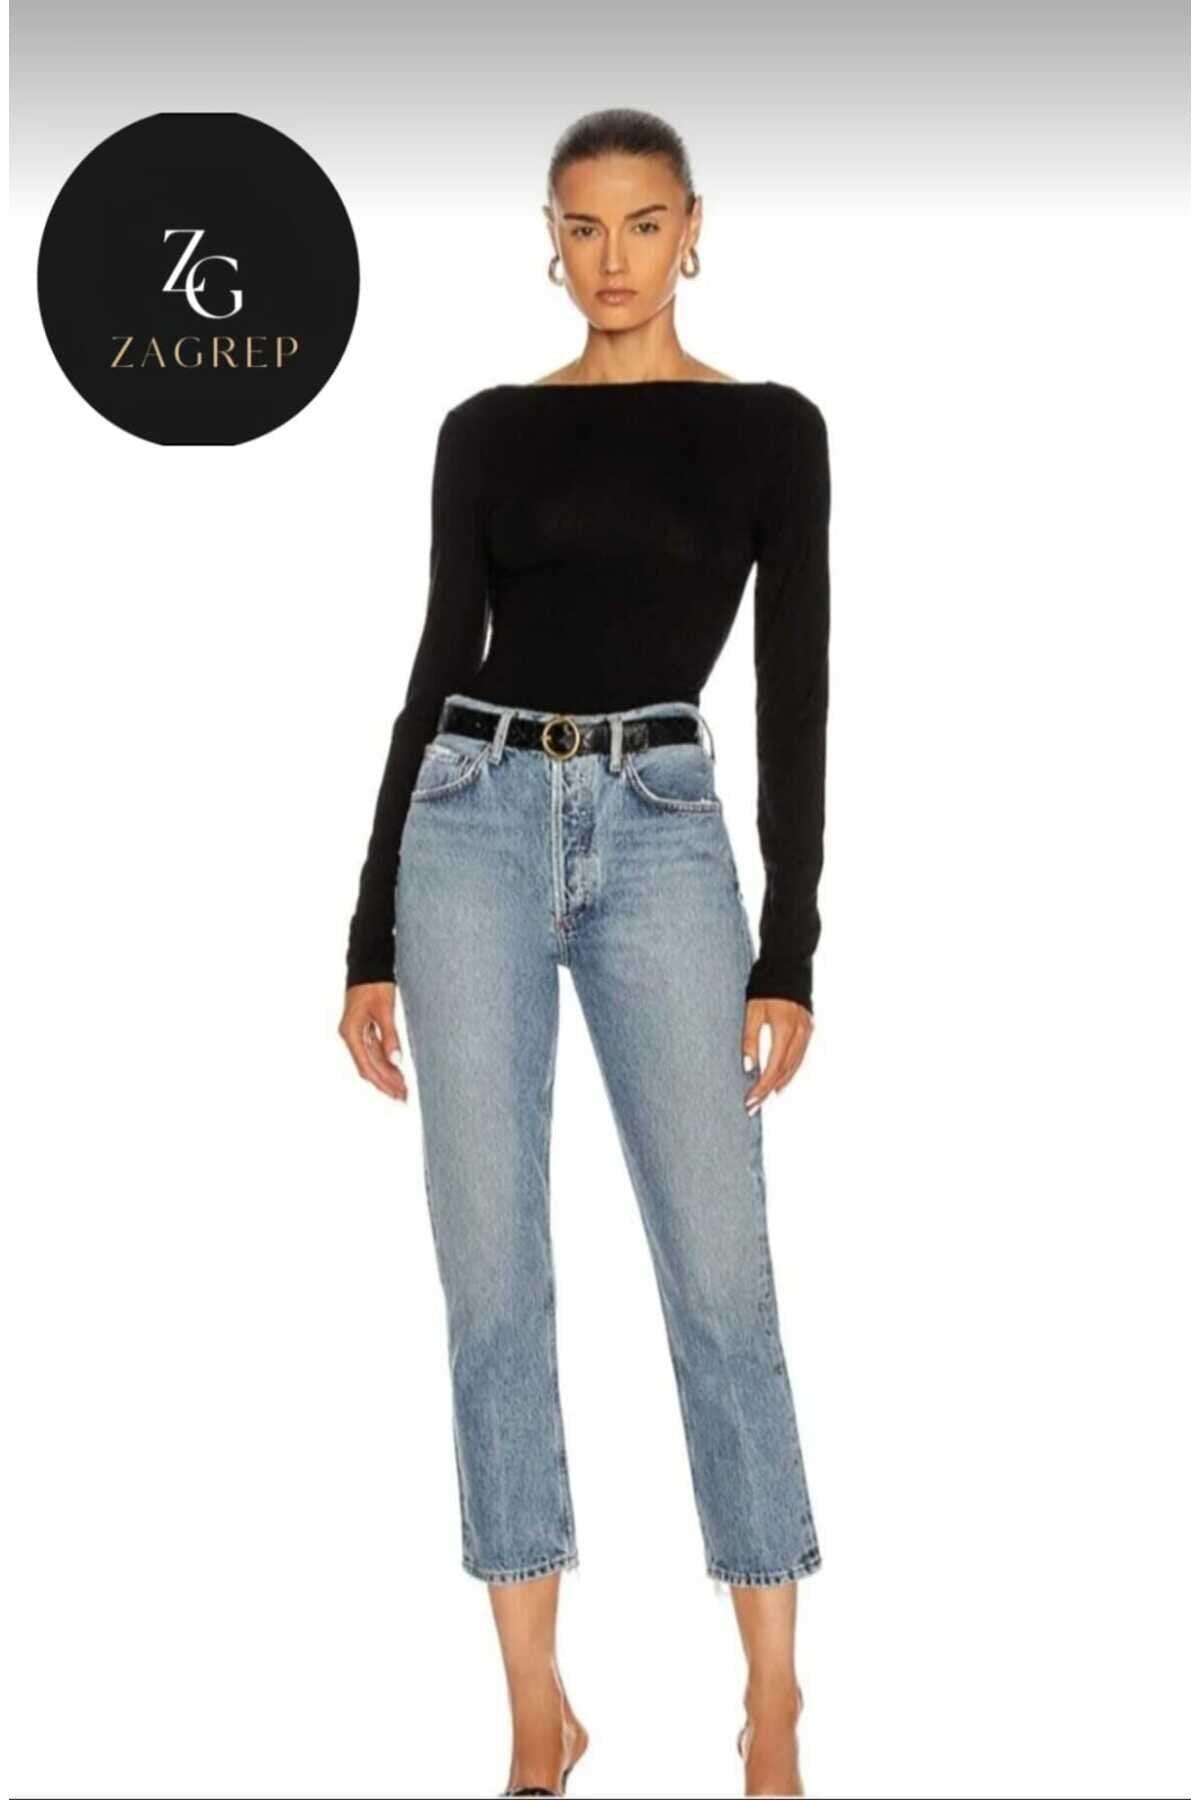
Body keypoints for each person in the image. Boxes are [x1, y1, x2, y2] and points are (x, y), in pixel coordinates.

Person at [338, 106, 830, 1800]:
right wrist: (367, 929)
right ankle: (537, 1707)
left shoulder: (771, 431)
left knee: (720, 1279)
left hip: (663, 826)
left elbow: (796, 690)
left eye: (641, 223)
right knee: (492, 1280)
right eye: (581, 226)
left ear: (692, 227)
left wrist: (790, 949)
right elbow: (434, 664)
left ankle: (774, 1695)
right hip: (469, 818)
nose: (612, 258)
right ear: (547, 240)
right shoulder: (486, 429)